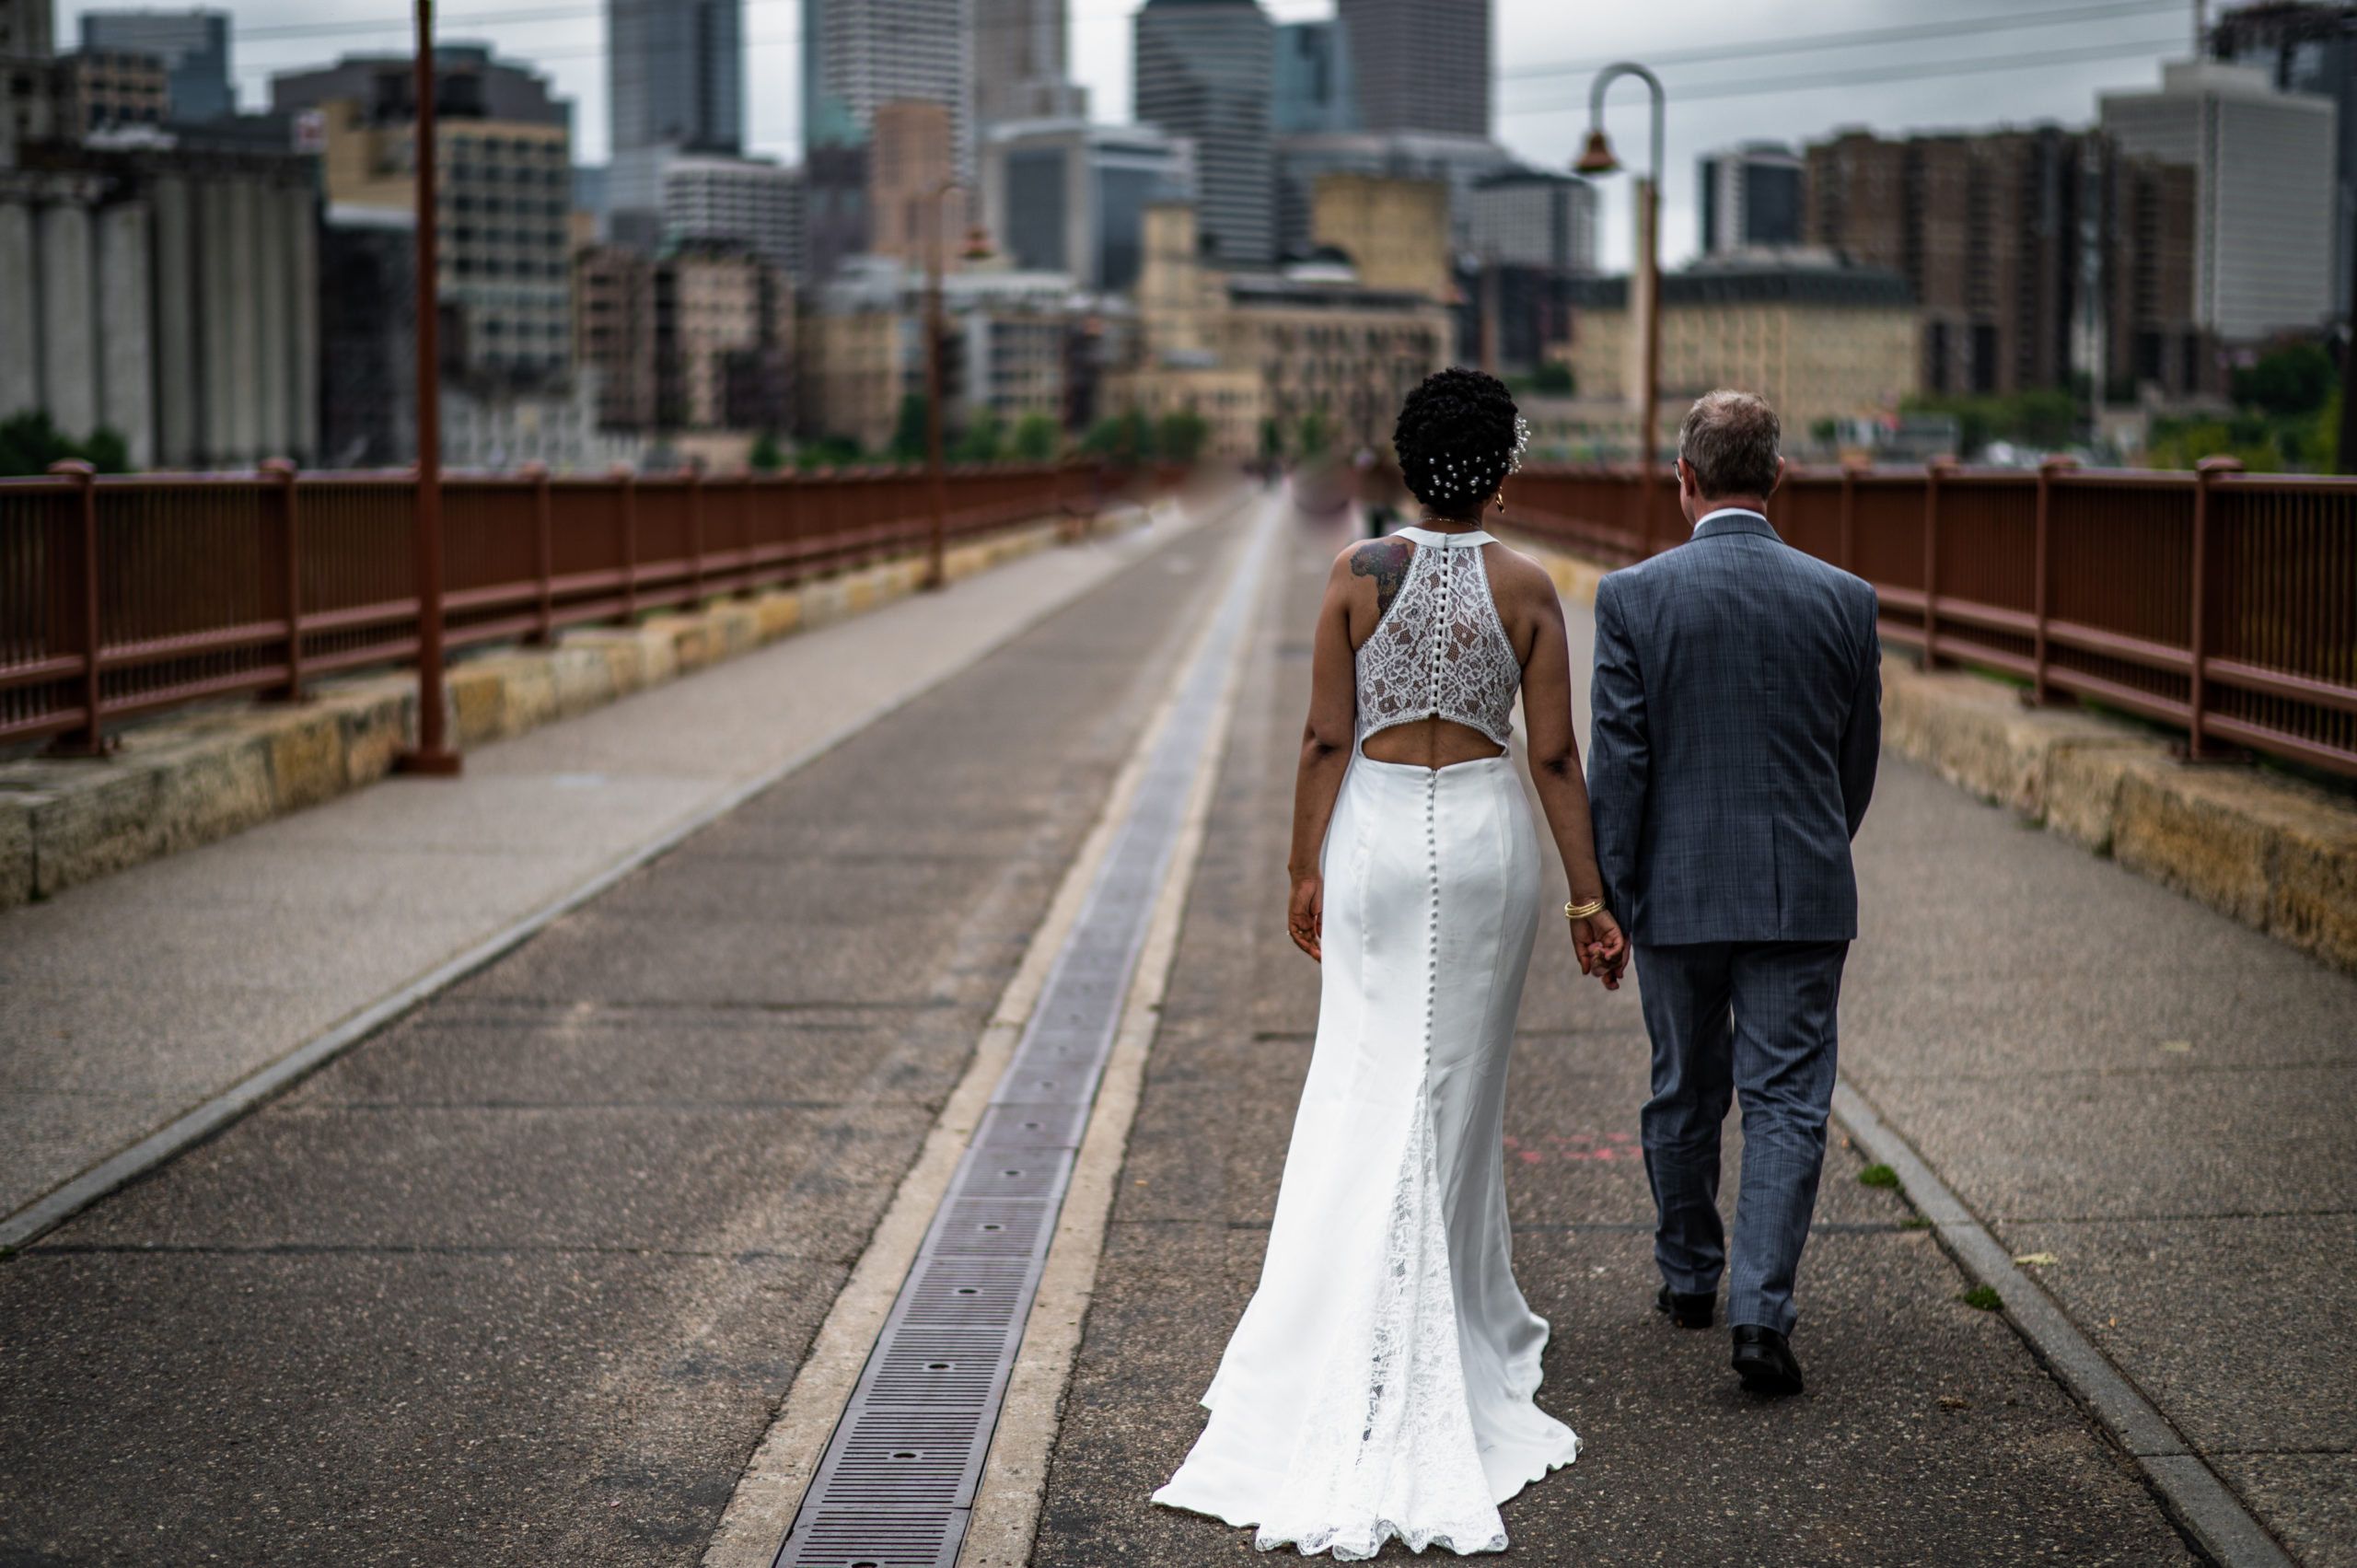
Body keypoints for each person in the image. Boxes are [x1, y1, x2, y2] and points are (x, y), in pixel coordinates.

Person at [1154, 368, 1624, 1559]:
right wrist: (1589, 894)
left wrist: (1302, 866)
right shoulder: (1528, 589)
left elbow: (1323, 732)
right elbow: (1556, 757)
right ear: (1503, 473)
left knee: (1364, 1072)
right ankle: (1448, 1319)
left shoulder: (1354, 577)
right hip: (1481, 843)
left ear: (1407, 468)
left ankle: (1333, 1321)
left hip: (1369, 834)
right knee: (1456, 1088)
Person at [1585, 389, 1882, 1398]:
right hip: (1802, 887)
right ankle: (1761, 1314)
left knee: (1684, 1087)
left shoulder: (1631, 598)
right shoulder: (1844, 597)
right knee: (1787, 1101)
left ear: (1684, 478)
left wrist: (1613, 897)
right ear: (1779, 478)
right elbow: (1856, 764)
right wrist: (1808, 850)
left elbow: (1619, 767)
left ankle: (1687, 1278)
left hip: (1672, 892)